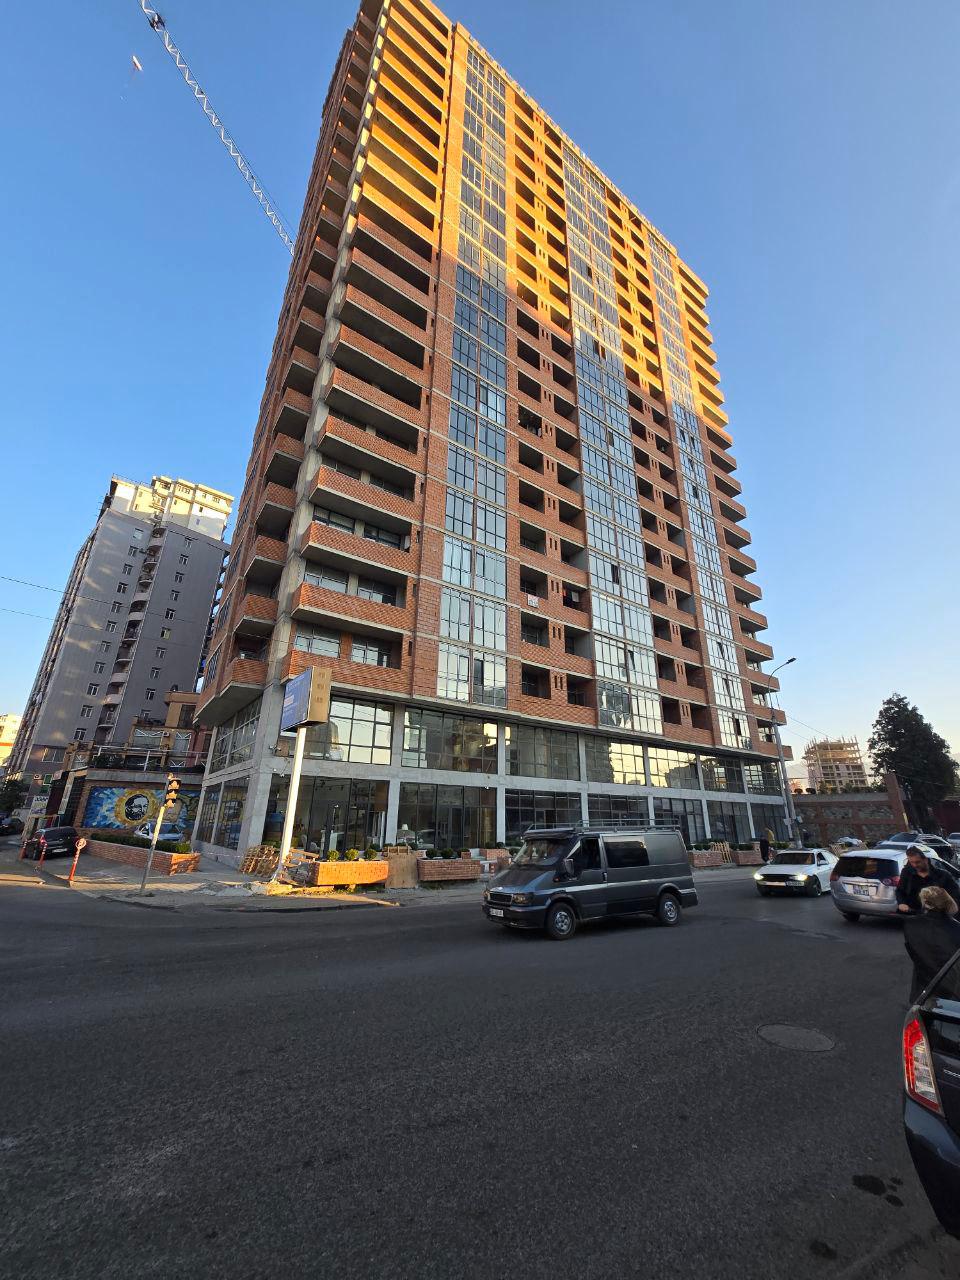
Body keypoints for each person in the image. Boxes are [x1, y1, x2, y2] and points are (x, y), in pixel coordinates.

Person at [903, 885, 960, 1003]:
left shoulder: (910, 924)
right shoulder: (956, 927)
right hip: (952, 991)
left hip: (922, 990)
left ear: (925, 902)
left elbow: (913, 952)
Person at [896, 844, 960, 914]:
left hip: (936, 916)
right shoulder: (907, 873)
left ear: (926, 860)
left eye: (918, 862)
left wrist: (949, 911)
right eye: (911, 862)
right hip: (911, 914)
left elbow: (955, 896)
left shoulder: (943, 876)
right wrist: (901, 903)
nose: (915, 865)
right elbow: (900, 891)